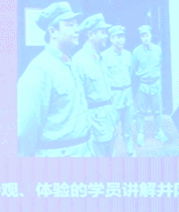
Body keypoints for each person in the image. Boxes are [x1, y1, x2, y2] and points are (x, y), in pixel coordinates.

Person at [16, 1, 91, 156]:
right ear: (53, 31)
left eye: (77, 24)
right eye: (69, 25)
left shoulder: (71, 64)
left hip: (82, 151)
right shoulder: (40, 69)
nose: (77, 29)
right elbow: (26, 128)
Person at [71, 13, 116, 156]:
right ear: (91, 35)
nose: (106, 36)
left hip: (109, 119)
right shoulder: (79, 61)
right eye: (102, 32)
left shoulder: (100, 57)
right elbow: (77, 101)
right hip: (94, 124)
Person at [130, 25, 168, 146]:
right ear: (140, 38)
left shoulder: (158, 50)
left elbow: (160, 66)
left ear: (151, 36)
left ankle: (159, 131)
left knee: (157, 110)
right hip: (143, 85)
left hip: (155, 84)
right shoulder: (136, 52)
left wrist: (158, 81)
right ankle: (140, 133)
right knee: (140, 112)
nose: (145, 38)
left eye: (147, 35)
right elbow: (133, 70)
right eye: (142, 36)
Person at [102, 25, 135, 156]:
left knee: (128, 128)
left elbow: (130, 73)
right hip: (114, 97)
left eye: (122, 37)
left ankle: (130, 151)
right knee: (112, 129)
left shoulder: (128, 55)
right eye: (117, 37)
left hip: (127, 96)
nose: (120, 40)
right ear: (111, 39)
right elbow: (104, 79)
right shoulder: (104, 56)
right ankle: (112, 154)